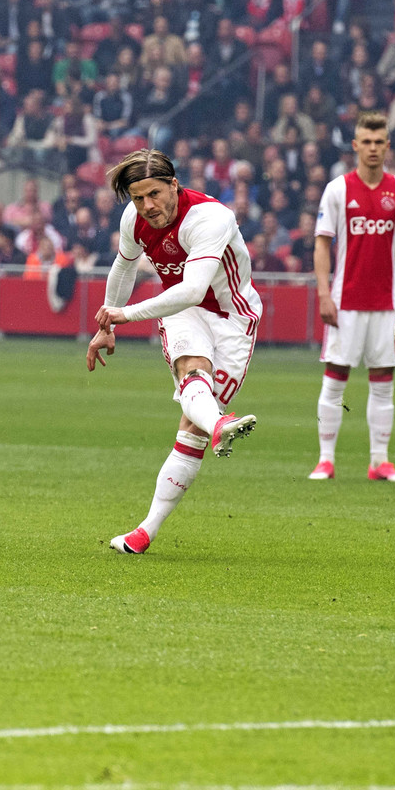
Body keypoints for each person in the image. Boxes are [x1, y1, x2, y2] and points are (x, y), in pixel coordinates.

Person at [88, 149, 263, 556]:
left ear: (174, 185)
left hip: (233, 320)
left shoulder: (210, 217)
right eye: (138, 198)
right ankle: (219, 425)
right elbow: (124, 267)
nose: (147, 206)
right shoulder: (133, 219)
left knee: (192, 428)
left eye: (154, 194)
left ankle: (147, 527)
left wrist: (125, 314)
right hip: (182, 310)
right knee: (192, 373)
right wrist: (106, 324)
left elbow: (194, 288)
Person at [308, 111, 395, 483]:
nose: (373, 148)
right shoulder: (337, 190)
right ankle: (325, 460)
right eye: (367, 142)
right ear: (355, 145)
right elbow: (322, 244)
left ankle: (379, 462)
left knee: (383, 380)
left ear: (388, 146)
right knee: (334, 379)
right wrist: (324, 293)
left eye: (379, 142)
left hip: (387, 303)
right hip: (345, 301)